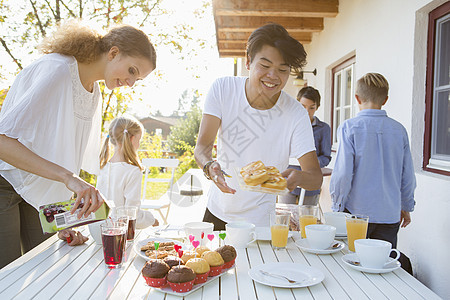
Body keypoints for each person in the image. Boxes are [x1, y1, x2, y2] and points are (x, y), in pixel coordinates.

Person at [0, 20, 156, 268]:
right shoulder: (57, 69)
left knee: (45, 270)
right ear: (113, 52)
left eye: (137, 79)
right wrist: (68, 177)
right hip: (5, 183)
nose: (130, 83)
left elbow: (62, 154)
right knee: (8, 277)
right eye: (132, 71)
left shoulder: (94, 93)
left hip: (37, 195)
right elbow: (3, 142)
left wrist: (62, 221)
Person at [194, 23, 323, 230]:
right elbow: (202, 148)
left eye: (282, 69)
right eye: (265, 66)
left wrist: (299, 177)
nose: (273, 76)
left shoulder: (296, 113)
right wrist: (209, 167)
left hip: (262, 223)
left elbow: (315, 178)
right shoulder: (223, 89)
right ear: (248, 62)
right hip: (218, 212)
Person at [330, 72, 416, 274]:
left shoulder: (349, 127)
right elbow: (407, 175)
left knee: (352, 266)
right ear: (385, 100)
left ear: (357, 98)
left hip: (356, 215)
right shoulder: (399, 130)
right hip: (389, 215)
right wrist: (406, 205)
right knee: (382, 268)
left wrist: (337, 206)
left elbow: (343, 173)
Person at [97, 116, 158, 228]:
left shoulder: (101, 167)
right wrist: (152, 220)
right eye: (139, 140)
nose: (139, 145)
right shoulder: (133, 171)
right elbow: (133, 216)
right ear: (131, 139)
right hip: (120, 234)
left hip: (98, 230)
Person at [278, 86, 331, 205]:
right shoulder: (288, 125)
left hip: (310, 185)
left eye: (311, 108)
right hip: (287, 179)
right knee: (284, 217)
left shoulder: (324, 129)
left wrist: (309, 162)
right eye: (303, 106)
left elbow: (326, 157)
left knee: (306, 219)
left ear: (317, 107)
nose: (307, 111)